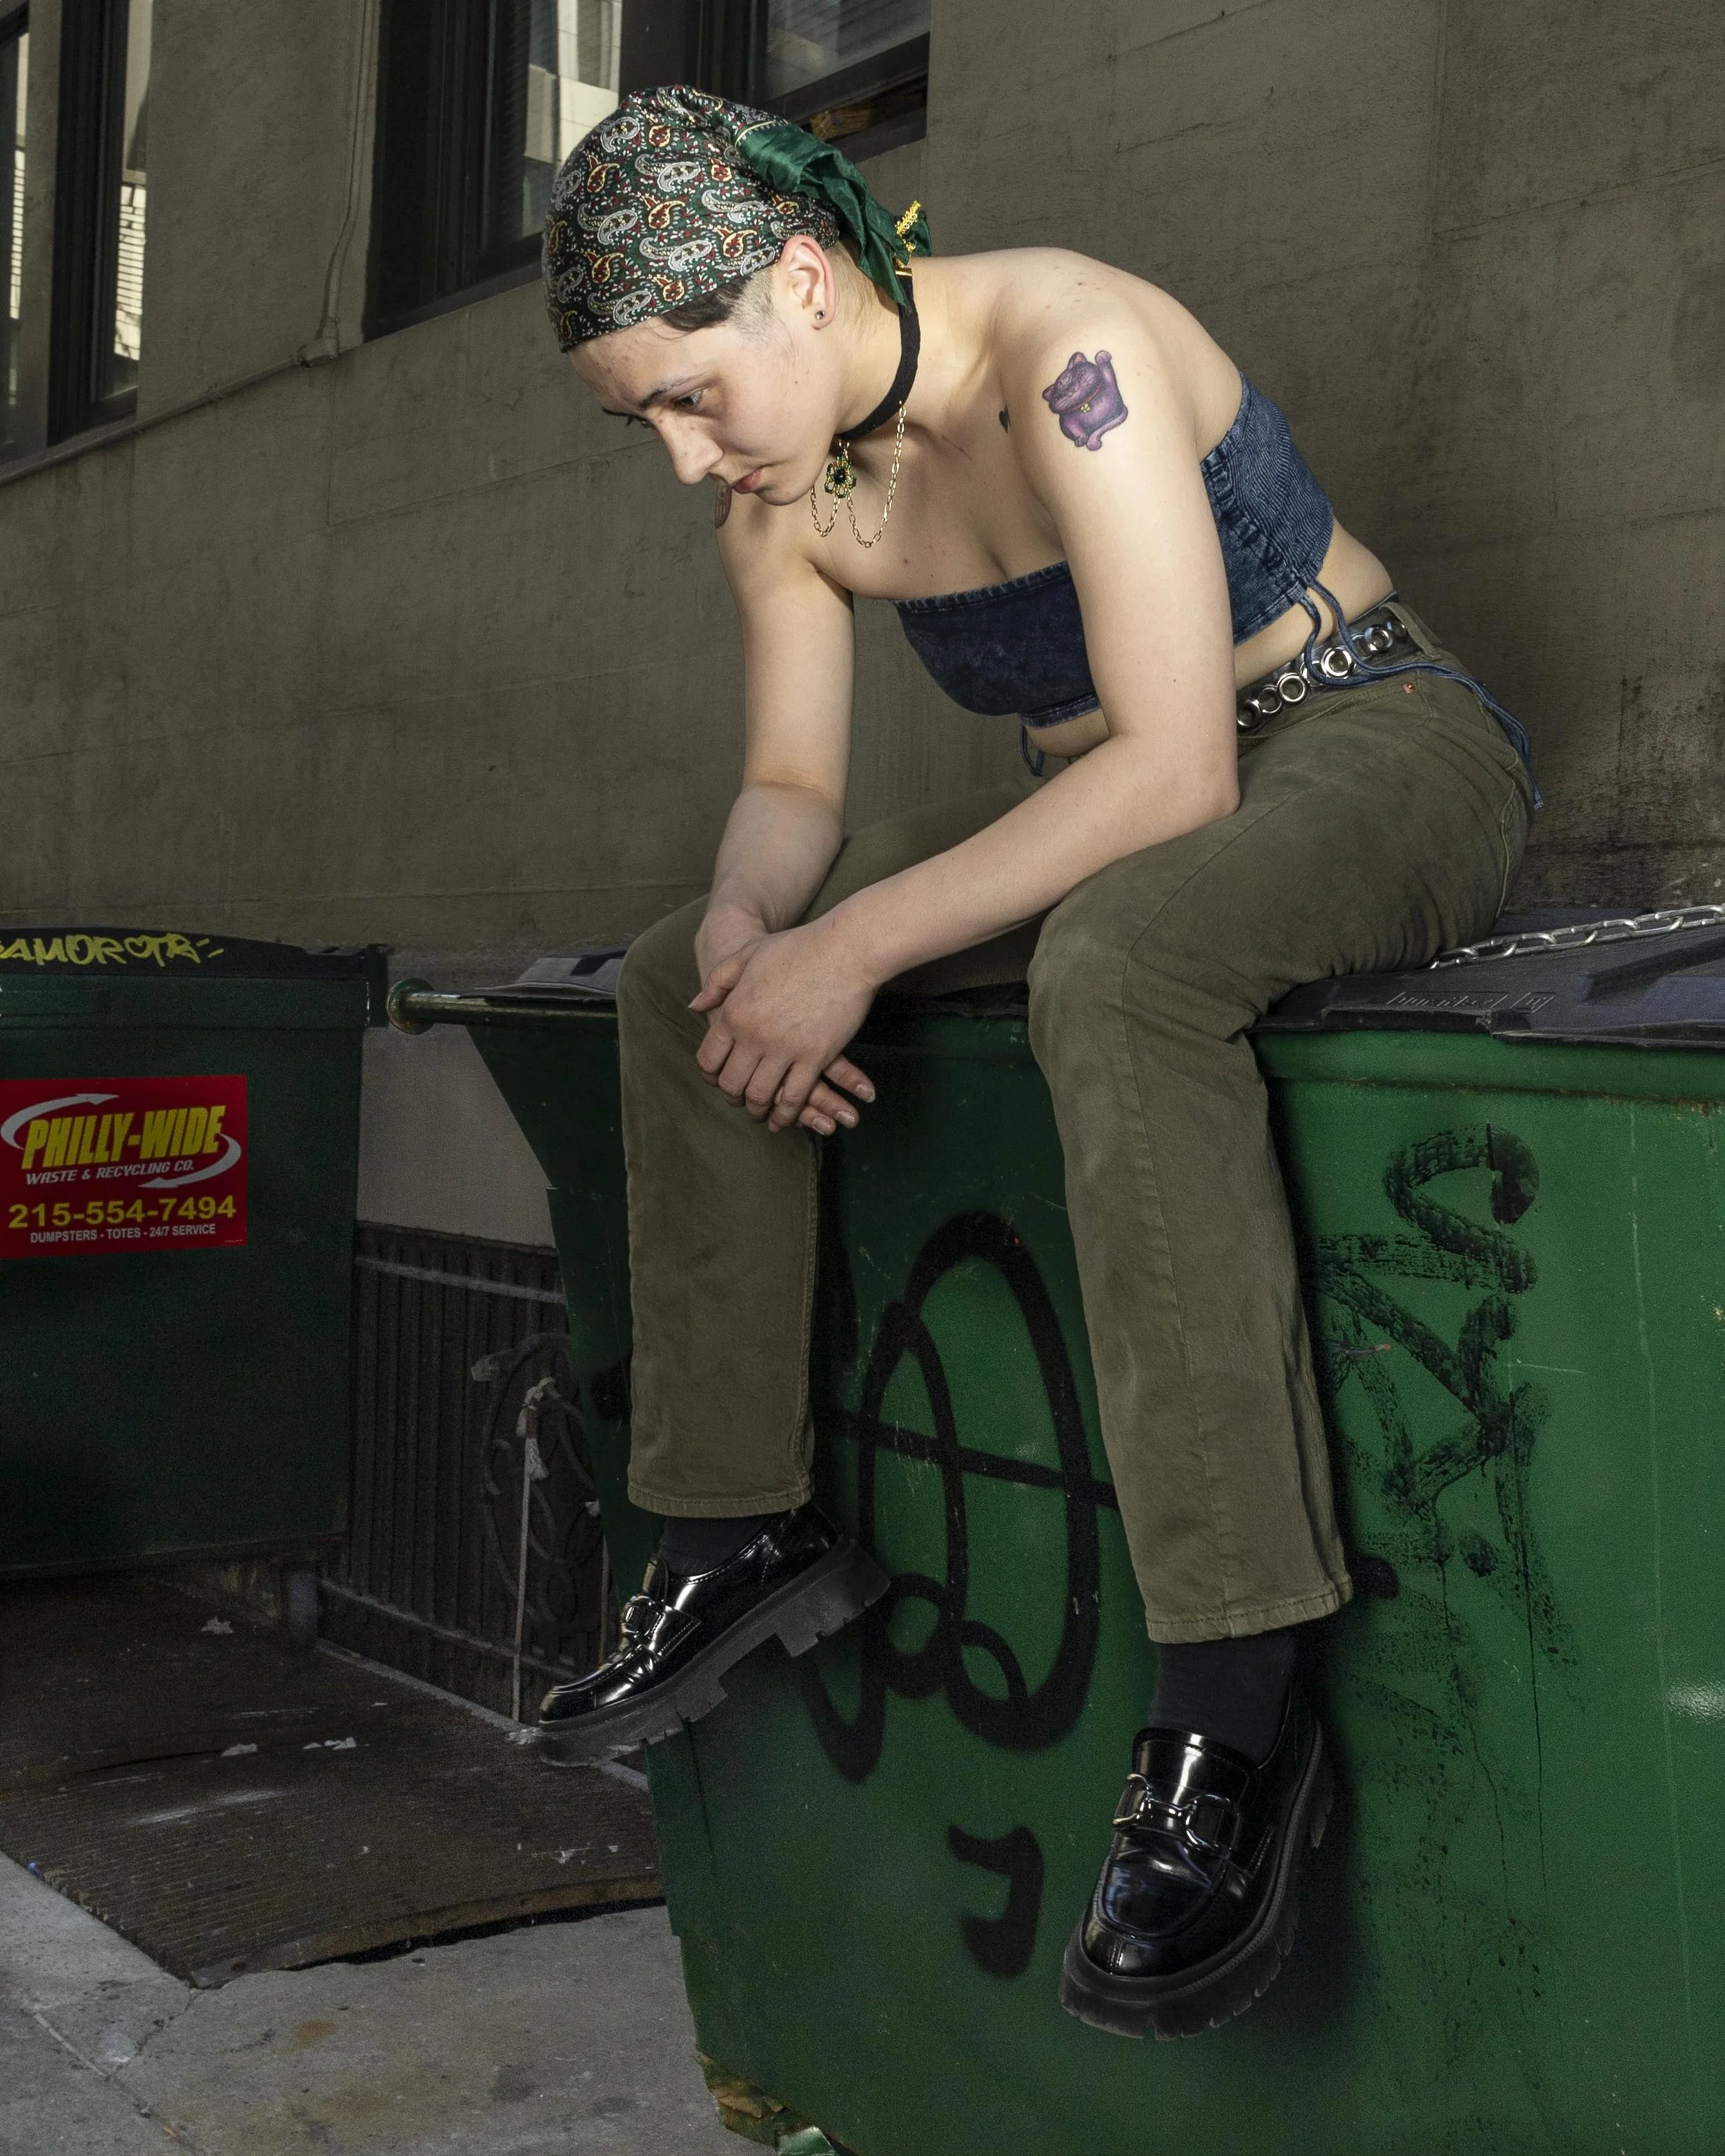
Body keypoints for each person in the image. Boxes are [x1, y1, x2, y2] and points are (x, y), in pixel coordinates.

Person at [532, 85, 1535, 2039]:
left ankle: (1228, 1708)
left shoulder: (1066, 352)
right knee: (672, 973)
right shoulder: (787, 489)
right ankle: (733, 1527)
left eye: (686, 394)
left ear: (801, 282)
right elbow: (791, 784)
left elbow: (1182, 767)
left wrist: (849, 958)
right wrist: (757, 933)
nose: (677, 456)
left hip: (1366, 749)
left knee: (1121, 968)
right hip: (1116, 810)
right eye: (636, 418)